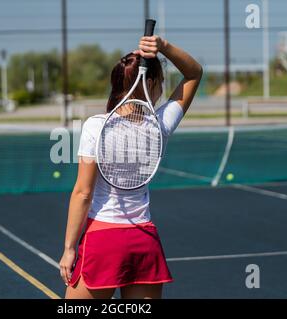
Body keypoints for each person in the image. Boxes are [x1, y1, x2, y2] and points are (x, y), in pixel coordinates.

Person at [59, 35, 202, 299]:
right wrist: (164, 47)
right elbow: (194, 73)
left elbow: (83, 193)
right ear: (148, 83)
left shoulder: (95, 126)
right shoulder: (160, 126)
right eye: (159, 83)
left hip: (103, 240)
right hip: (143, 242)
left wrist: (69, 248)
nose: (159, 90)